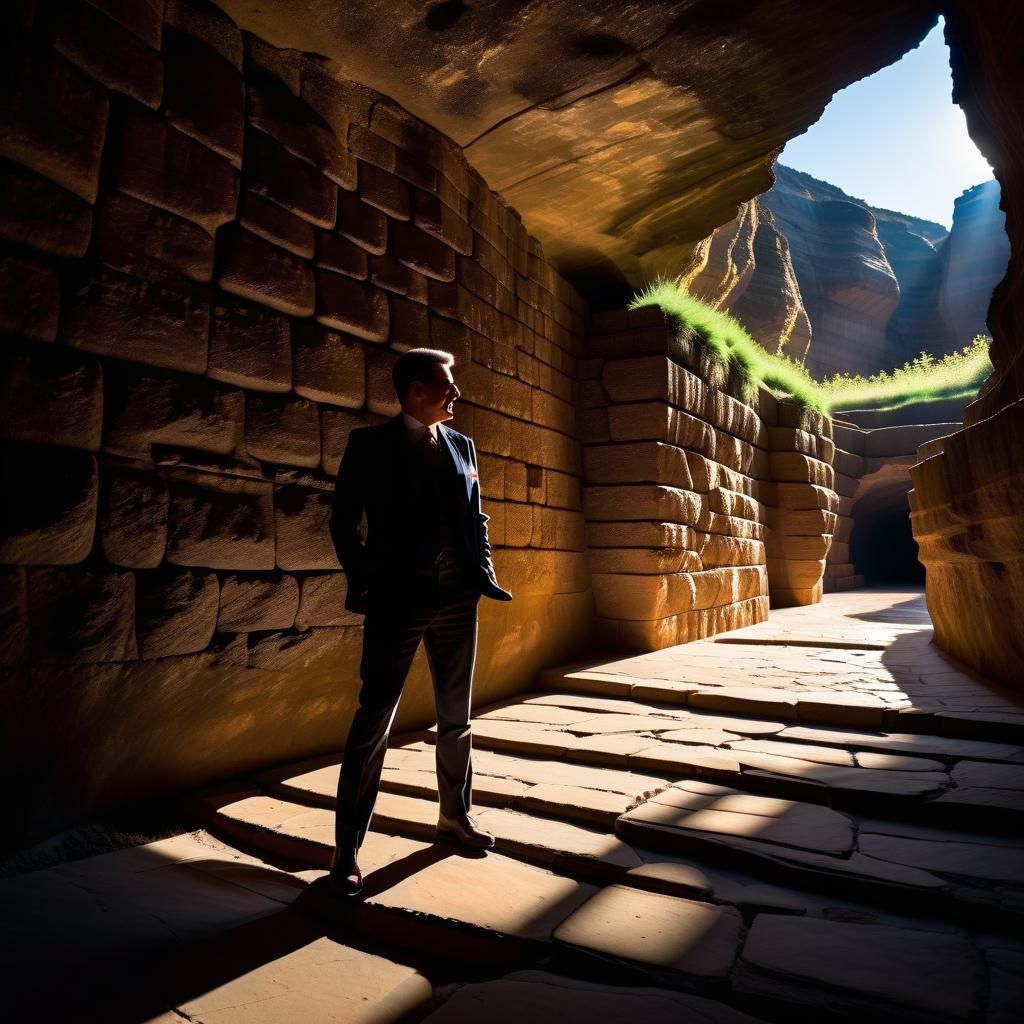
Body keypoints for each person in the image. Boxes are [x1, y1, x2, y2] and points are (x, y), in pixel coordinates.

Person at [327, 346, 513, 896]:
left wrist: (482, 571)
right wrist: (367, 578)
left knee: (457, 716)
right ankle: (346, 852)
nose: (456, 394)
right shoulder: (369, 446)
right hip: (397, 601)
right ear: (414, 391)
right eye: (445, 385)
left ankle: (454, 818)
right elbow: (343, 522)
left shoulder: (462, 445)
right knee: (373, 723)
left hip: (459, 599)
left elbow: (474, 515)